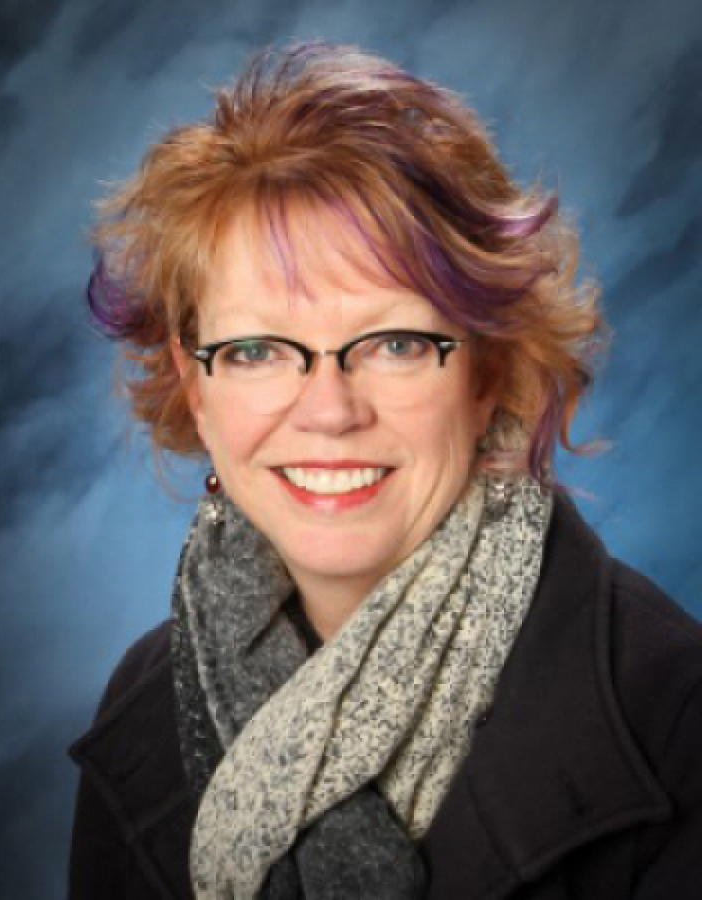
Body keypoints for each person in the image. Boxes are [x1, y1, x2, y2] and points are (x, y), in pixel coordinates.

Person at [68, 42, 702, 900]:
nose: (329, 410)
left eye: (397, 344)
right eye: (257, 350)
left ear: (485, 375)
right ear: (196, 384)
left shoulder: (672, 712)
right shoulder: (144, 704)